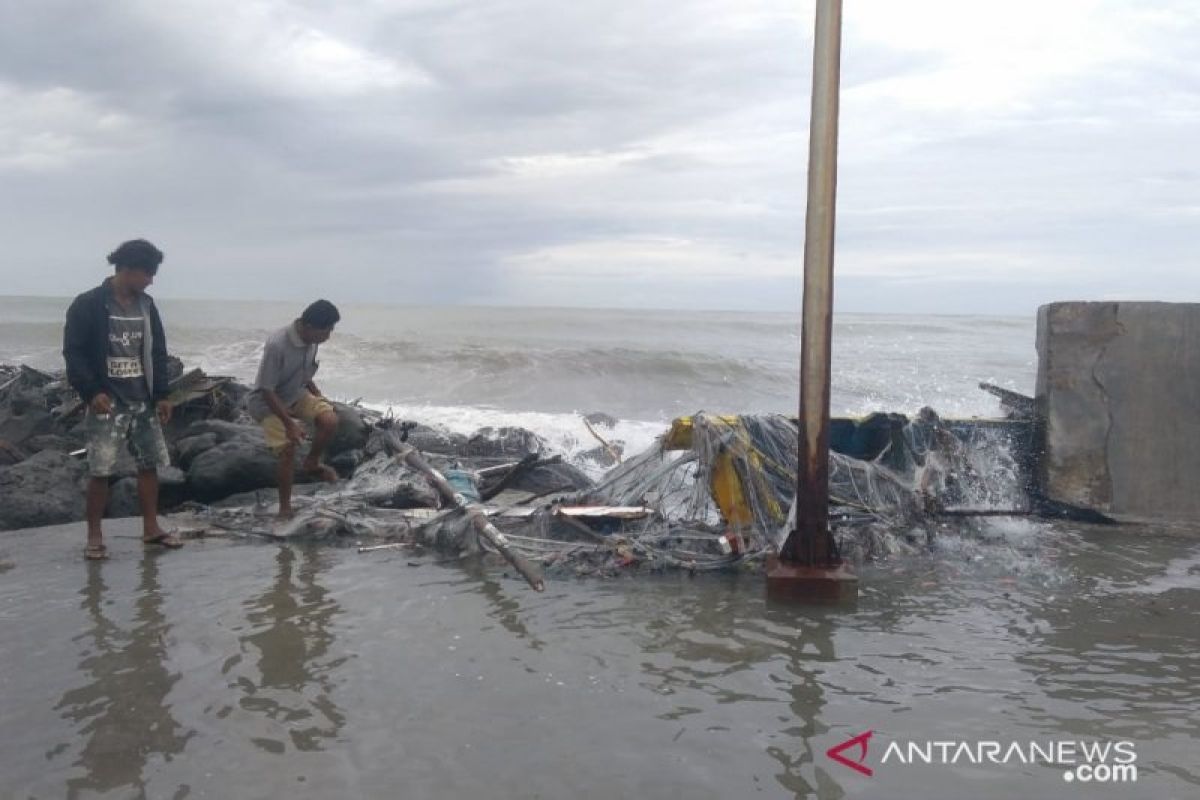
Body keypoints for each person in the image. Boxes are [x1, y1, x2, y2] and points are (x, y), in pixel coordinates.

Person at [63, 239, 182, 560]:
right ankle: (94, 536)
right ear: (127, 269)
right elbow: (73, 353)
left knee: (149, 465)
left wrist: (162, 395)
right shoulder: (88, 304)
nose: (151, 280)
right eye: (147, 273)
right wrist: (91, 392)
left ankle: (151, 528)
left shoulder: (147, 306)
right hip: (107, 400)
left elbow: (157, 351)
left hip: (143, 399)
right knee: (100, 469)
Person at [247, 300, 342, 519]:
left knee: (330, 420)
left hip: (295, 394)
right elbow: (266, 389)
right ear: (309, 326)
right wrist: (289, 423)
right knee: (289, 448)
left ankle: (312, 462)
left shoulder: (312, 341)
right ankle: (284, 507)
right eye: (326, 330)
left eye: (331, 330)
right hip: (267, 402)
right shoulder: (277, 345)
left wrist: (319, 396)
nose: (328, 335)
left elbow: (305, 375)